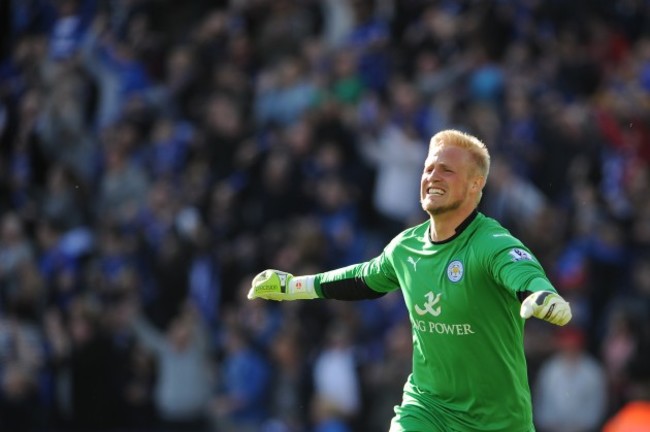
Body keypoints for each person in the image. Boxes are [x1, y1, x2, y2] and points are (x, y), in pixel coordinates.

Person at [248, 129, 572, 431]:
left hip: (498, 421)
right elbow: (361, 278)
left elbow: (524, 274)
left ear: (474, 186)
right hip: (427, 407)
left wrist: (543, 296)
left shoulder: (491, 243)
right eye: (429, 168)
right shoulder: (405, 248)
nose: (432, 176)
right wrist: (293, 287)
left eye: (446, 170)